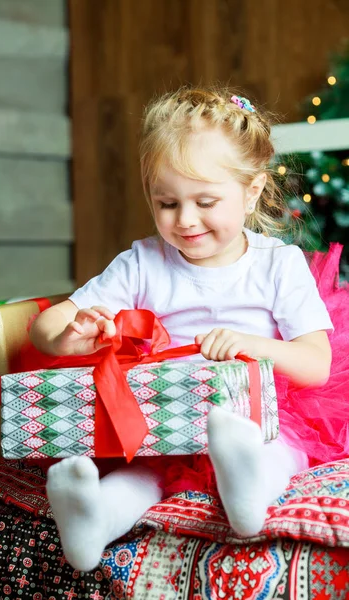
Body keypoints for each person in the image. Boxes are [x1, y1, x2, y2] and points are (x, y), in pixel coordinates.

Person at [30, 87, 335, 572]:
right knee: (147, 471)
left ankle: (248, 492)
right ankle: (93, 522)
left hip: (262, 408)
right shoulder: (143, 263)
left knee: (279, 445)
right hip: (167, 415)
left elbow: (317, 365)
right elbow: (45, 324)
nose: (185, 220)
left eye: (205, 201)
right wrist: (69, 332)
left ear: (252, 191)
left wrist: (253, 345)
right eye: (166, 202)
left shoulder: (278, 264)